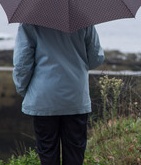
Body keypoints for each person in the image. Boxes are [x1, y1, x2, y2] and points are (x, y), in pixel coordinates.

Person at [13, 23, 105, 165]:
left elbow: (22, 62)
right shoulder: (84, 21)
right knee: (75, 153)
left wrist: (23, 89)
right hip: (76, 97)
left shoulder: (29, 22)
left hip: (43, 97)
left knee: (47, 153)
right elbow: (96, 58)